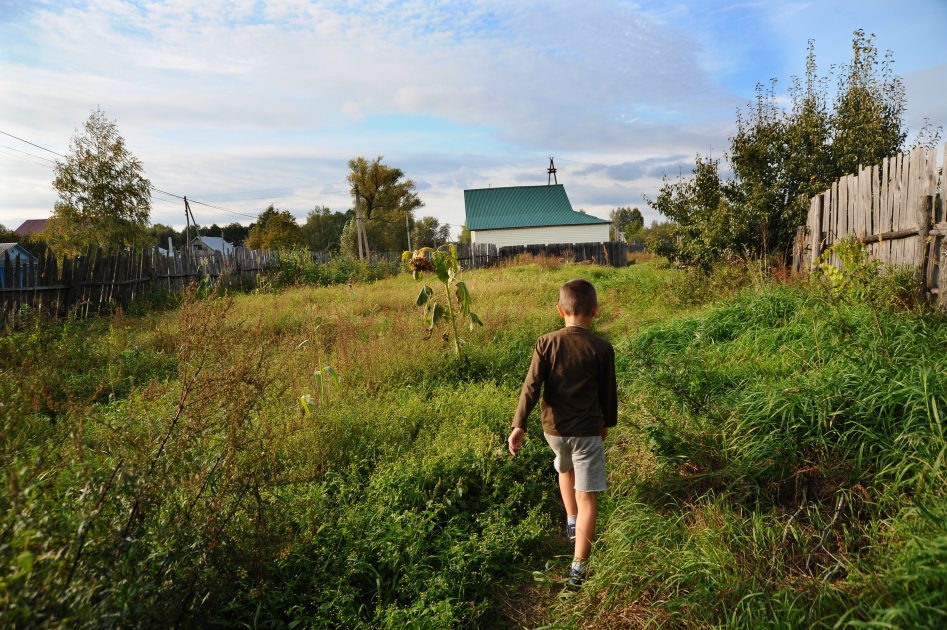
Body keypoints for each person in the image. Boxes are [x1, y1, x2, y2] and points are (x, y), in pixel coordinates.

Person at [507, 278, 617, 598]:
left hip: (553, 431)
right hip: (586, 433)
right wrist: (606, 424)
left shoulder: (545, 342)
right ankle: (578, 569)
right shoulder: (602, 348)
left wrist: (519, 425)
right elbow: (608, 394)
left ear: (560, 311)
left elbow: (531, 387)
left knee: (563, 468)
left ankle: (571, 522)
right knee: (588, 498)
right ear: (595, 311)